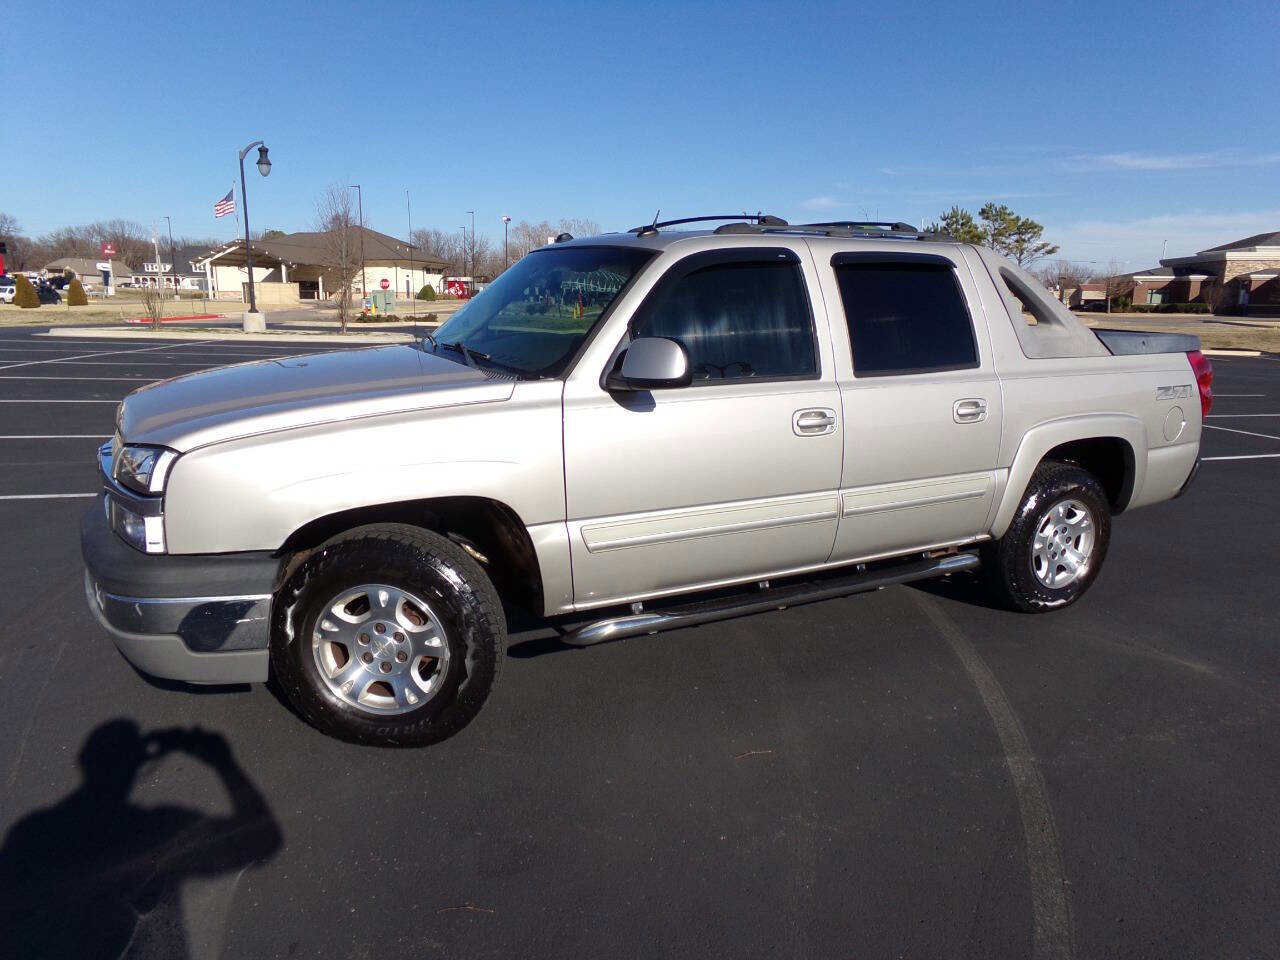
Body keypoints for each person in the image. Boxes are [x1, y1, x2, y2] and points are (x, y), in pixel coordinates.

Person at [0, 720, 282, 959]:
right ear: (138, 765)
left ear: (84, 762)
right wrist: (224, 763)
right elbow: (262, 841)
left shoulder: (31, 830)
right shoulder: (157, 827)